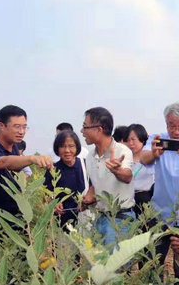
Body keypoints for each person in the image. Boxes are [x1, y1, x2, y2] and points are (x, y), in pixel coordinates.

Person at [0, 105, 53, 245]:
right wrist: (31, 159)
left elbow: (16, 169)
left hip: (16, 215)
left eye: (24, 127)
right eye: (17, 127)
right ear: (1, 125)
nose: (21, 132)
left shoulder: (14, 146)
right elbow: (3, 162)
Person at [81, 107, 135, 249]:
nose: (82, 131)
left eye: (85, 127)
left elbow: (127, 176)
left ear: (99, 129)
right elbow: (95, 184)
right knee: (97, 268)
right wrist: (89, 197)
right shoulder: (90, 156)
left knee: (115, 268)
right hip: (100, 219)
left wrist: (117, 171)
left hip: (119, 220)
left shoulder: (122, 151)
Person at [44, 131, 89, 230]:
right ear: (57, 149)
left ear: (77, 147)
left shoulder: (86, 165)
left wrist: (87, 202)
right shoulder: (52, 169)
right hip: (61, 223)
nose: (67, 150)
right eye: (63, 146)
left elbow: (94, 189)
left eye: (71, 146)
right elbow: (46, 194)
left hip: (86, 220)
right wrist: (53, 204)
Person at [123, 124, 155, 220]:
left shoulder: (150, 159)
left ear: (142, 139)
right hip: (128, 200)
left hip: (145, 199)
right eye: (128, 140)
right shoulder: (125, 160)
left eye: (133, 139)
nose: (131, 143)